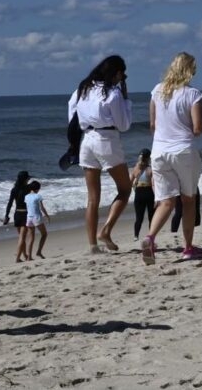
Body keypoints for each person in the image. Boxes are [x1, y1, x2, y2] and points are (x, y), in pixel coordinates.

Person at [138, 52, 202, 264]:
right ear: (190, 70)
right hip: (183, 150)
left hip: (159, 151)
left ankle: (150, 237)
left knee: (165, 201)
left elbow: (152, 125)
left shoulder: (158, 91)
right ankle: (187, 247)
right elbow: (197, 128)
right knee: (188, 199)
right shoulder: (193, 94)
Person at [69, 54, 133, 253]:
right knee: (124, 189)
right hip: (106, 140)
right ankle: (105, 230)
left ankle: (92, 245)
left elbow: (71, 113)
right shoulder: (112, 93)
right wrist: (126, 101)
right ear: (117, 73)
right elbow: (124, 125)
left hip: (86, 140)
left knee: (92, 198)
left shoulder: (83, 89)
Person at [3, 170, 31, 262]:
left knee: (21, 237)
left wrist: (6, 216)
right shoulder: (28, 188)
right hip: (25, 214)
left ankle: (25, 255)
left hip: (17, 214)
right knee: (22, 237)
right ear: (25, 179)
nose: (28, 179)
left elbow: (10, 203)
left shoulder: (14, 189)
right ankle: (17, 258)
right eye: (27, 178)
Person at [131, 149, 154, 240]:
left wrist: (134, 190)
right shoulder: (150, 169)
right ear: (149, 158)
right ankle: (150, 236)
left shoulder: (135, 169)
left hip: (139, 193)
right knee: (151, 217)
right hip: (149, 193)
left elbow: (131, 183)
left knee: (139, 217)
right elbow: (153, 184)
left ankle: (136, 236)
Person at [24, 181, 50, 260]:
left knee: (31, 238)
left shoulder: (26, 196)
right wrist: (47, 216)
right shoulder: (38, 196)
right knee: (44, 234)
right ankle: (39, 251)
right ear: (37, 189)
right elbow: (42, 208)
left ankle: (29, 257)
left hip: (29, 218)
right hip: (37, 217)